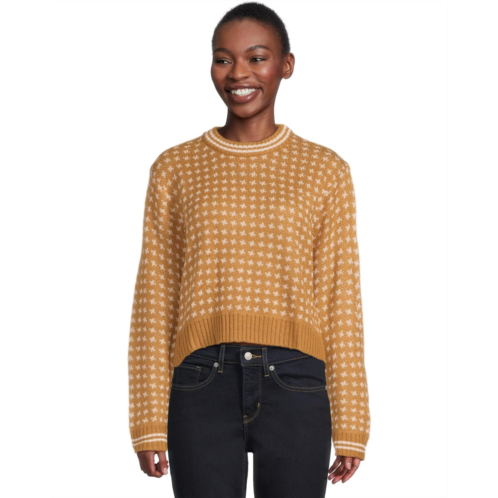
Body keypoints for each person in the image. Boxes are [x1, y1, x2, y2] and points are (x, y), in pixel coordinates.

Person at [127, 2, 370, 497]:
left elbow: (340, 297)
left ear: (286, 65)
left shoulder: (326, 170)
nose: (238, 73)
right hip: (200, 379)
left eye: (256, 58)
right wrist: (148, 417)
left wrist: (352, 419)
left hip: (297, 380)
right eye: (223, 59)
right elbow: (155, 296)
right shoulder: (175, 168)